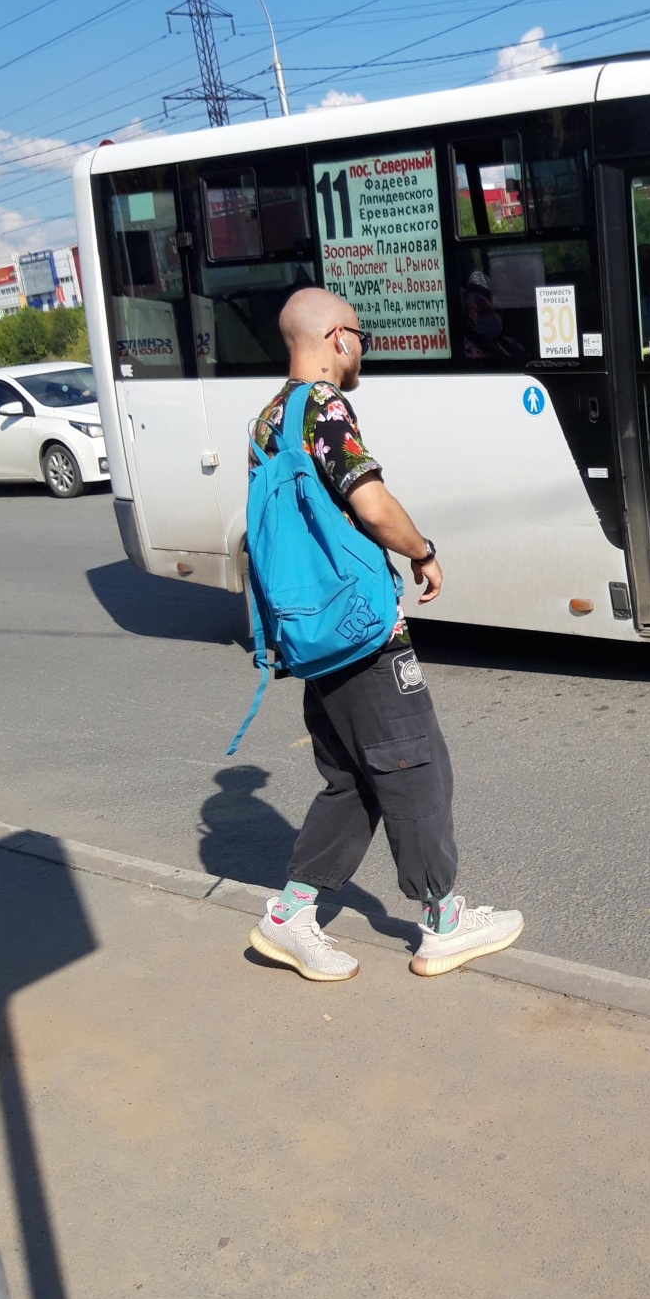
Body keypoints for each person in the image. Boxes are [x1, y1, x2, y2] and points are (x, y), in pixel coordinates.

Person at [246, 286, 523, 983]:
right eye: (361, 335)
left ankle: (291, 917)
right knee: (414, 765)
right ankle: (443, 922)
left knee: (353, 781)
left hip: (311, 633)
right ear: (337, 337)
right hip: (360, 629)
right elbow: (370, 503)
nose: (363, 348)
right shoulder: (324, 407)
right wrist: (421, 550)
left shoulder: (268, 420)